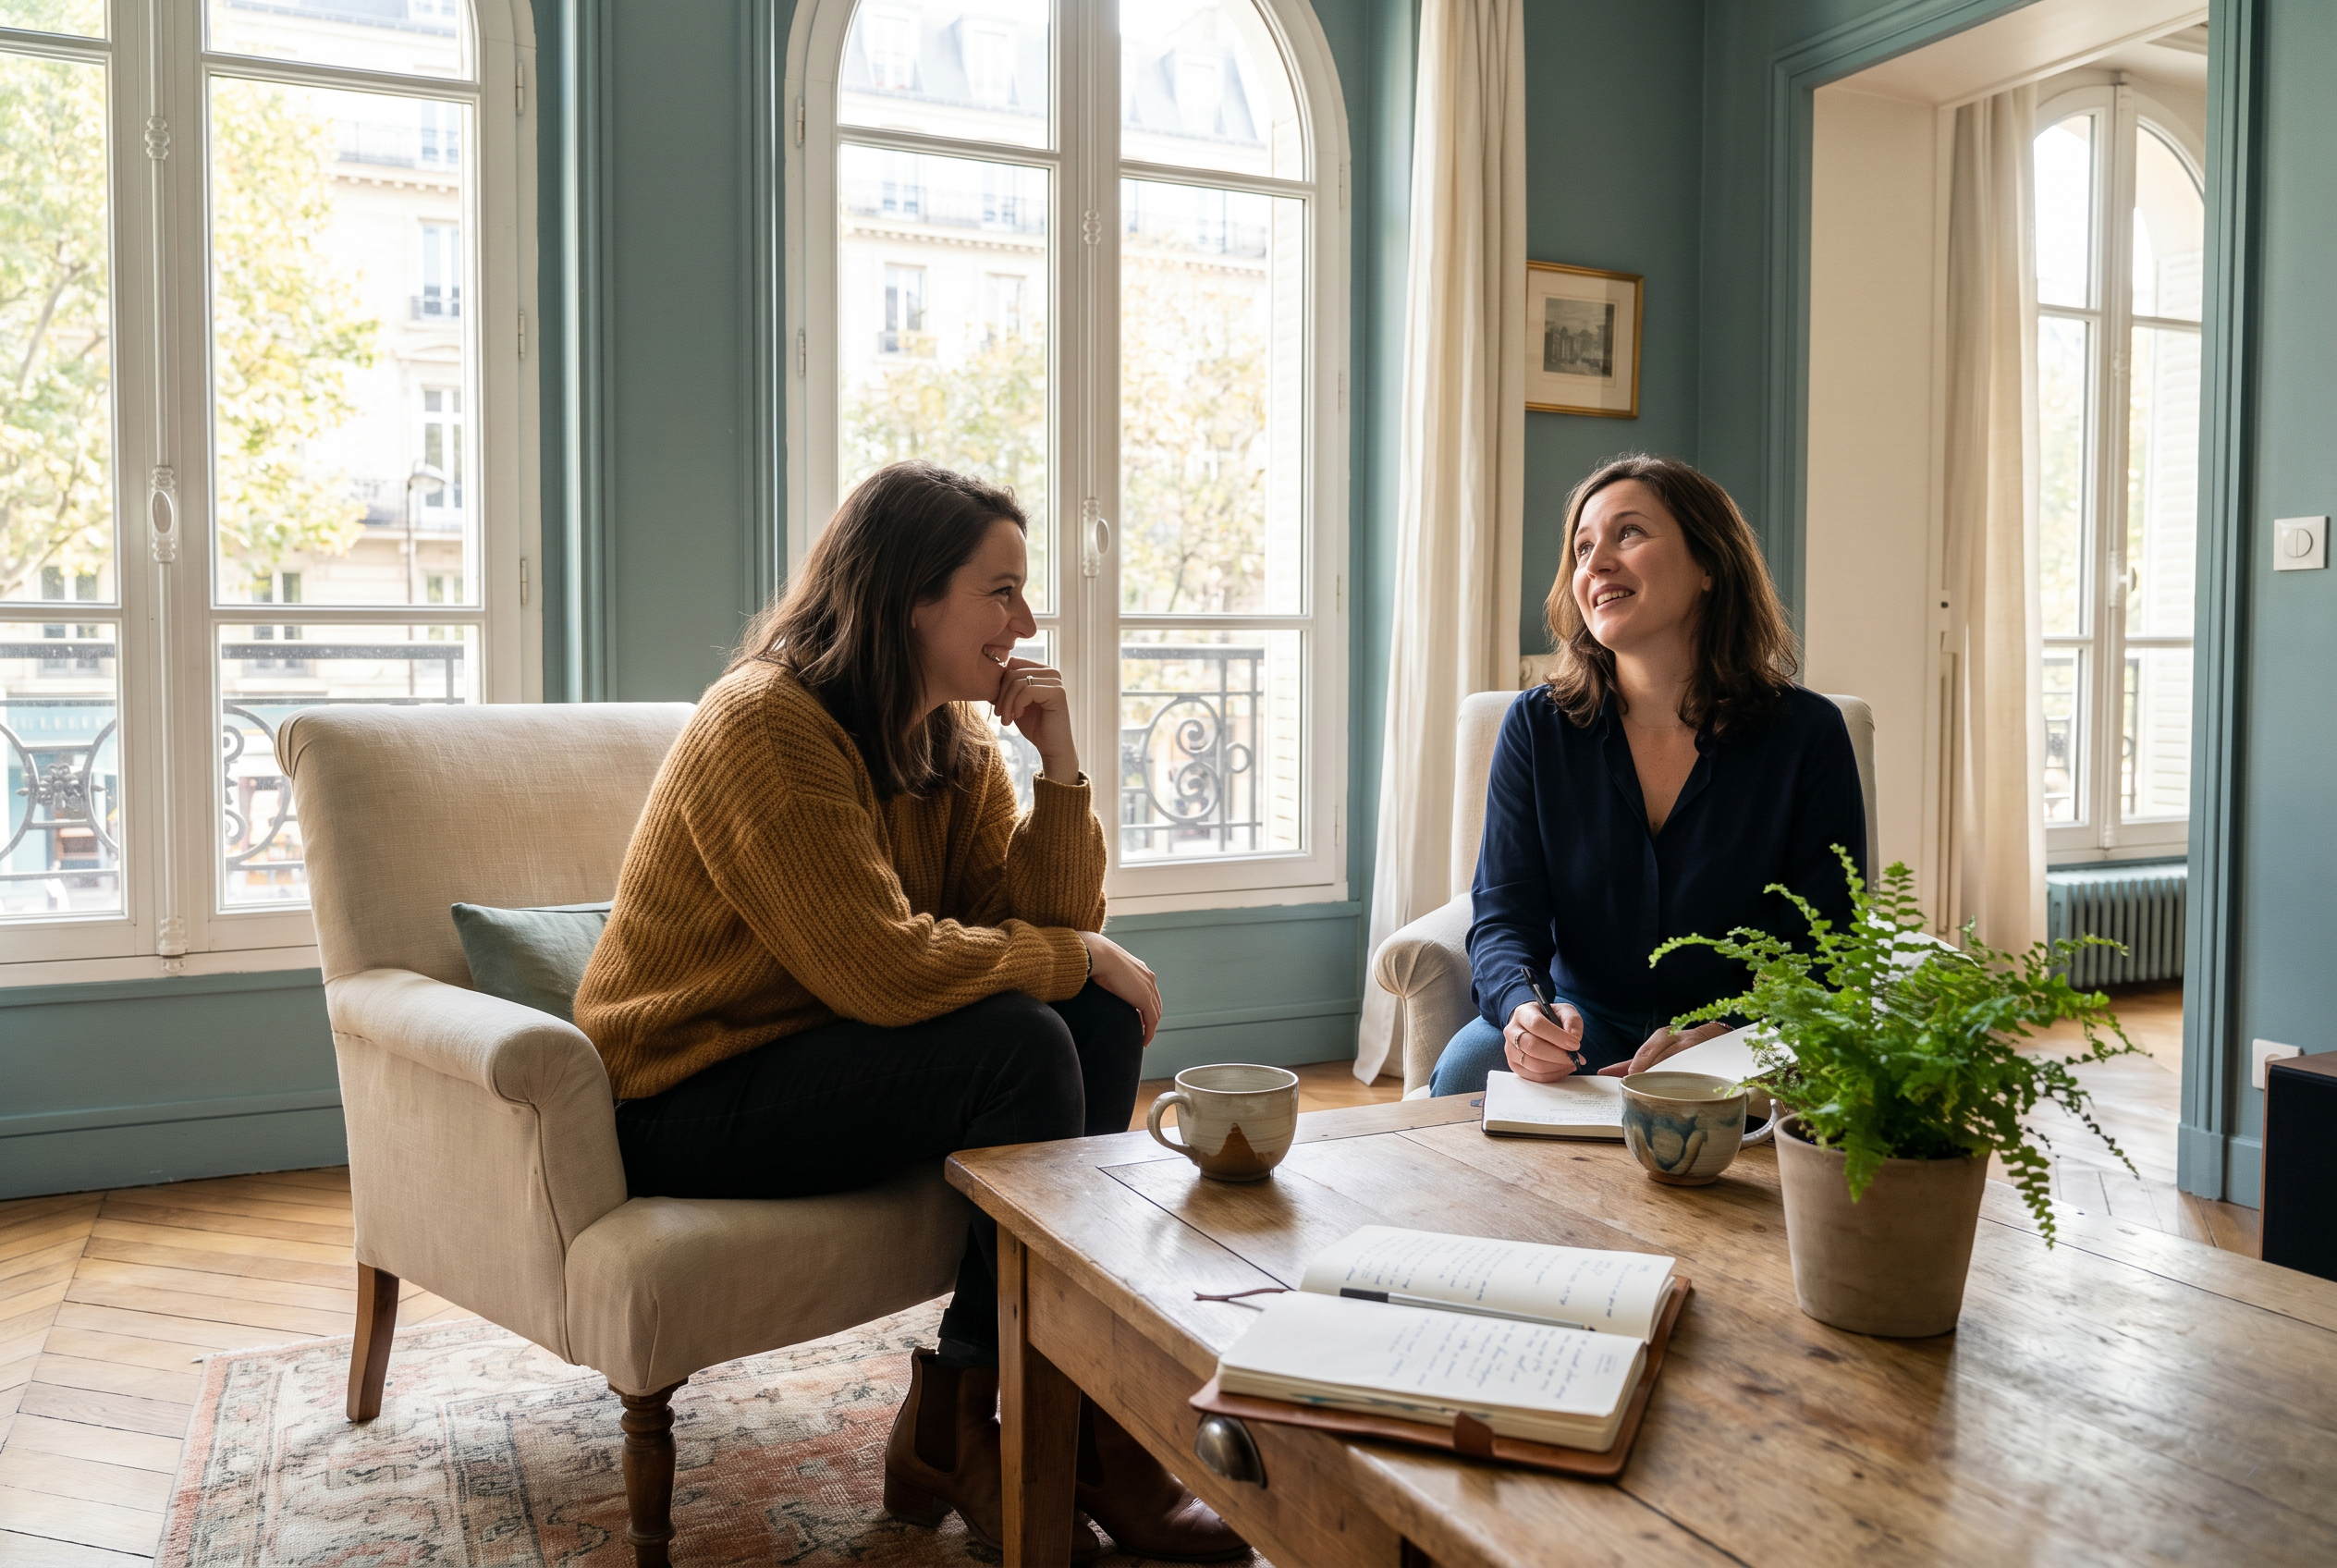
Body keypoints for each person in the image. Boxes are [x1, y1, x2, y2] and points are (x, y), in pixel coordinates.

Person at [574, 461, 1244, 1562]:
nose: (1025, 622)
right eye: (1001, 591)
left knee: (1096, 1024)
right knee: (1032, 1029)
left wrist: (1061, 771)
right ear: (907, 599)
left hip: (818, 1053)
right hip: (682, 1092)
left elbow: (1012, 925)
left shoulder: (954, 736)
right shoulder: (766, 727)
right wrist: (1071, 952)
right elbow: (881, 970)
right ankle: (991, 1425)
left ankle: (1011, 1422)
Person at [1429, 454, 1868, 1096]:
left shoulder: (1808, 734)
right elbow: (1504, 913)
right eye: (1582, 549)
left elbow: (1829, 942)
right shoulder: (1536, 728)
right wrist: (1525, 1012)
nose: (1596, 563)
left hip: (1741, 1037)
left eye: (1627, 533)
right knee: (1473, 1067)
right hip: (1586, 1027)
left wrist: (1728, 1033)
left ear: (1710, 565)